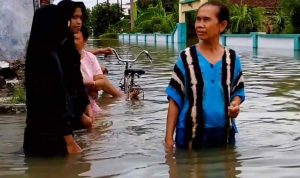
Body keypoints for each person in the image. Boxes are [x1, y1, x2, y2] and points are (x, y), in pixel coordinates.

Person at [165, 1, 245, 150]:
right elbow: (175, 100)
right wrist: (168, 138)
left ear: (222, 25)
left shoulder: (233, 59)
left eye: (206, 20)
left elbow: (238, 92)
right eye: (198, 19)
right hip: (189, 135)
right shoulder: (186, 58)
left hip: (224, 135)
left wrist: (235, 104)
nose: (199, 24)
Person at [24, 5, 84, 156]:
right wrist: (69, 139)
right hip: (53, 139)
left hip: (35, 135)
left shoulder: (36, 52)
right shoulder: (48, 58)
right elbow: (52, 101)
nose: (65, 27)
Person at [74, 26, 123, 118]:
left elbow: (100, 81)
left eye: (75, 38)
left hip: (90, 105)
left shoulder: (90, 57)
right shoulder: (63, 59)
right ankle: (122, 97)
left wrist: (91, 84)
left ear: (85, 41)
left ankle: (123, 97)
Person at [57, 0, 111, 74]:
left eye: (81, 18)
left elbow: (80, 52)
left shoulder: (67, 39)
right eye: (74, 17)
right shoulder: (55, 41)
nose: (79, 22)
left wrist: (100, 52)